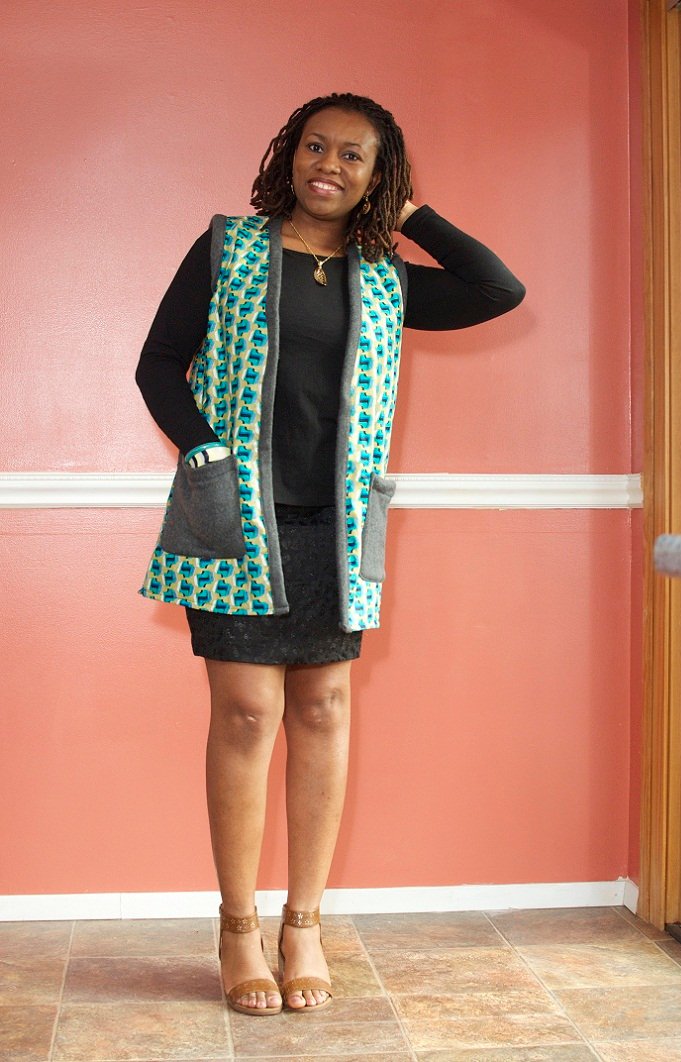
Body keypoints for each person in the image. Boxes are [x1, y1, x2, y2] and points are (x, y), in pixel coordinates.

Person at [135, 92, 525, 1017]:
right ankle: (238, 927)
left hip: (338, 525)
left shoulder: (386, 276)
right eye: (317, 146)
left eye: (355, 156)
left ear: (377, 176)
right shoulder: (229, 248)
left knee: (323, 708)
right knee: (244, 714)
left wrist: (410, 211)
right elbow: (158, 361)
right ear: (290, 153)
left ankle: (302, 923)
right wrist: (207, 451)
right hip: (238, 516)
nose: (330, 166)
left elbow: (496, 289)